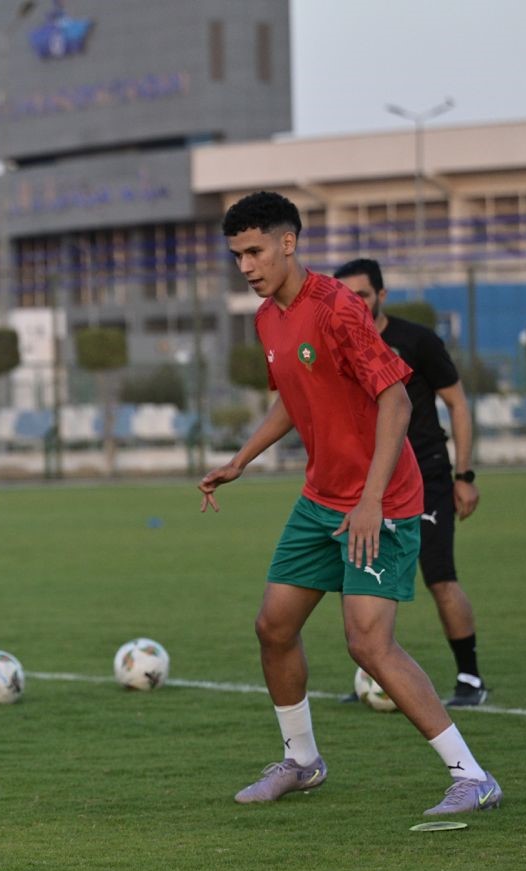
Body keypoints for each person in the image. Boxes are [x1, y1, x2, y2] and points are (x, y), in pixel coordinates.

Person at [198, 191, 502, 816]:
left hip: (383, 499)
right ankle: (302, 762)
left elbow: (394, 400)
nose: (246, 266)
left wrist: (367, 502)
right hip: (320, 497)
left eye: (255, 251)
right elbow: (293, 395)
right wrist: (241, 459)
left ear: (289, 242)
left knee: (368, 643)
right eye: (237, 256)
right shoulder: (266, 319)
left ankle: (472, 776)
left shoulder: (337, 309)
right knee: (273, 626)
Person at [333, 258, 487, 707]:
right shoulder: (338, 344)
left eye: (360, 294)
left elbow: (457, 404)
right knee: (364, 580)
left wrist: (465, 475)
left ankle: (470, 679)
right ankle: (372, 677)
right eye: (344, 296)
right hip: (369, 484)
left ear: (381, 295)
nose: (353, 304)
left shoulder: (416, 341)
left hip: (426, 476)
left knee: (440, 576)